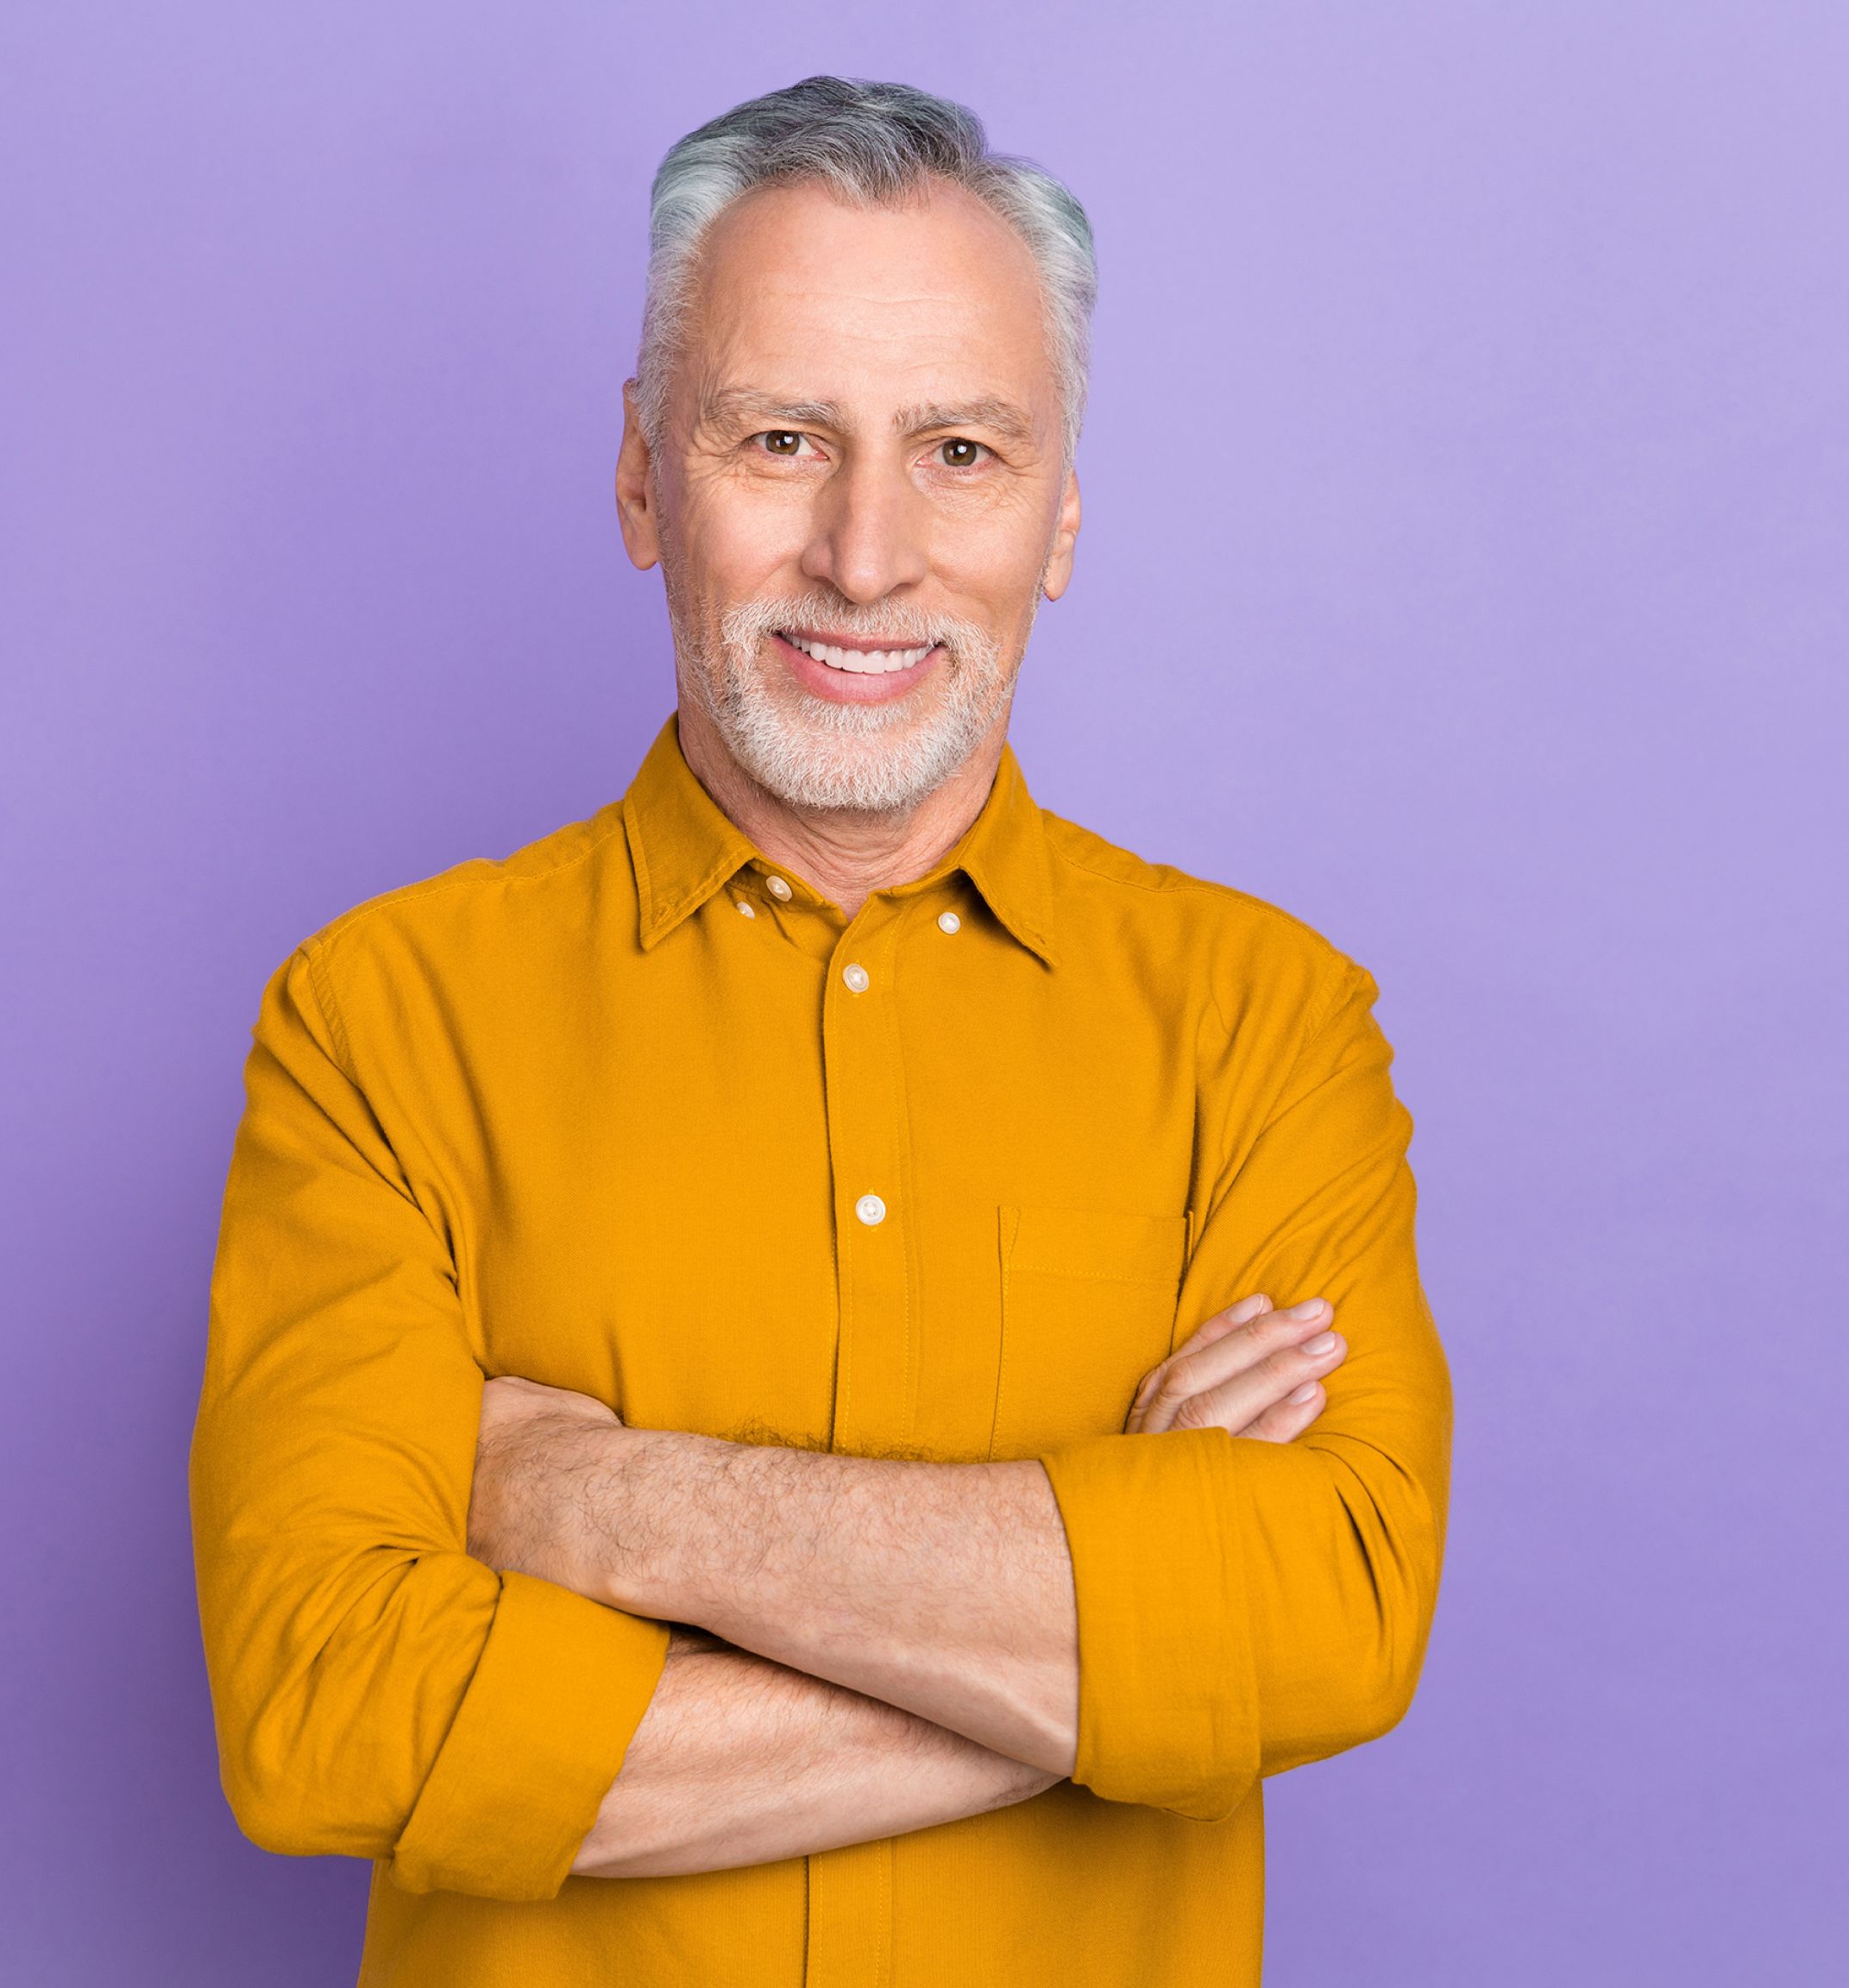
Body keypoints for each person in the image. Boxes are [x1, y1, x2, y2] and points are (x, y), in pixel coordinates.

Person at [188, 76, 1452, 1986]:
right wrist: (1118, 1665)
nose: (865, 556)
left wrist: (590, 1501)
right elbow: (328, 1717)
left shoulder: (1263, 1024)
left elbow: (1331, 1625)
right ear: (637, 479)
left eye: (959, 451)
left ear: (1059, 519)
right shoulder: (380, 1023)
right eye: (778, 438)